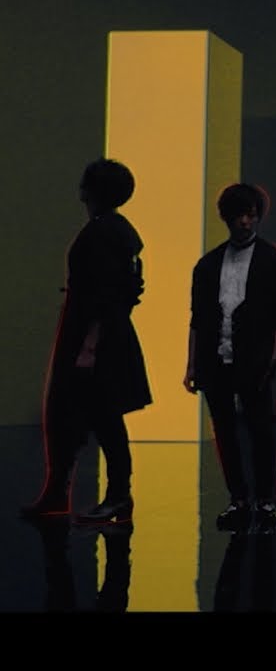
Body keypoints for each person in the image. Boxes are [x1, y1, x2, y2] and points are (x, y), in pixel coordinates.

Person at [21, 158, 151, 525]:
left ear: (91, 191)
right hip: (105, 334)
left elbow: (106, 293)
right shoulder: (120, 231)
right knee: (95, 417)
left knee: (93, 416)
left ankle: (109, 495)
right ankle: (75, 493)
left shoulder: (100, 234)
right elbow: (127, 289)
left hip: (93, 337)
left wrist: (89, 345)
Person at [184, 183, 276, 533]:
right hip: (215, 359)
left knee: (261, 430)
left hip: (255, 361)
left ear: (258, 216)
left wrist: (271, 355)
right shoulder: (207, 265)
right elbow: (198, 318)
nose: (245, 222)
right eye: (239, 216)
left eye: (250, 215)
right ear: (227, 218)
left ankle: (265, 500)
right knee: (225, 431)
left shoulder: (273, 260)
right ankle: (239, 499)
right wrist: (192, 364)